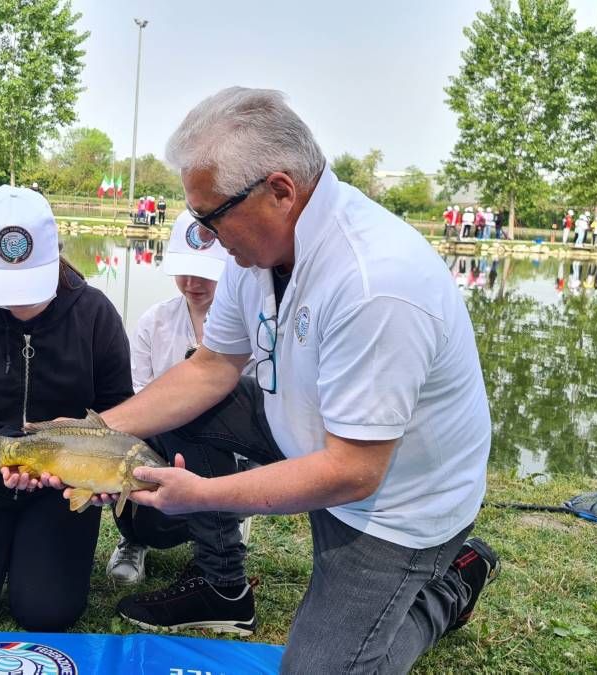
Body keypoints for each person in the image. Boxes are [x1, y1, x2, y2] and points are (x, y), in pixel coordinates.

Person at [56, 87, 497, 672]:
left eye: (210, 218)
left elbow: (353, 471)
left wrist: (203, 497)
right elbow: (211, 369)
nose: (206, 238)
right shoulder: (259, 254)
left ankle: (447, 587)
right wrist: (92, 432)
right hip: (307, 428)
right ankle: (222, 588)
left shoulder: (377, 283)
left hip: (394, 501)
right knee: (188, 415)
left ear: (280, 192)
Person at [0, 185, 133, 632]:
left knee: (47, 613)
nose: (19, 304)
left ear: (57, 254)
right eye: (5, 289)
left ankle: (36, 557)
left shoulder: (96, 315)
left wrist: (101, 467)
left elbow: (118, 411)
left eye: (30, 286)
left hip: (63, 482)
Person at [107, 212, 232, 585]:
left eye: (205, 271)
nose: (193, 283)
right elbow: (139, 402)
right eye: (184, 270)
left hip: (224, 443)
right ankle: (134, 537)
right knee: (125, 459)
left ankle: (225, 531)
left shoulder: (250, 324)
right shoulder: (152, 322)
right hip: (162, 440)